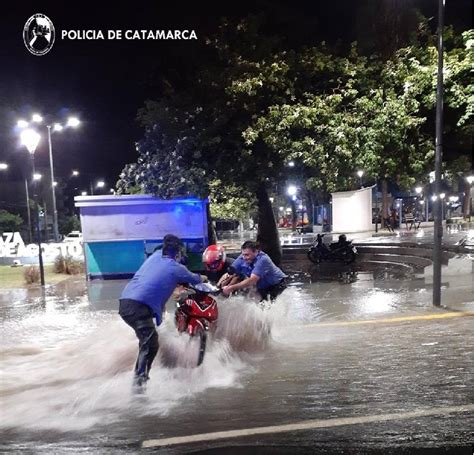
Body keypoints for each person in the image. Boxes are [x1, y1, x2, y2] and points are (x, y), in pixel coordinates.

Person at [119, 234, 207, 390]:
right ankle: (139, 384)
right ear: (178, 253)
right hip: (139, 306)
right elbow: (195, 279)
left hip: (125, 303)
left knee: (147, 341)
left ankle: (140, 376)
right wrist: (204, 278)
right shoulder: (176, 268)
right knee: (151, 344)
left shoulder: (153, 258)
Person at [222, 241, 287, 302]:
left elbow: (252, 280)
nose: (244, 258)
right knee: (251, 301)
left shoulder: (263, 260)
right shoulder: (242, 257)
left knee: (266, 306)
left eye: (247, 255)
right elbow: (231, 272)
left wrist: (231, 288)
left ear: (256, 252)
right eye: (243, 255)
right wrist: (223, 286)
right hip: (261, 286)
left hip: (277, 285)